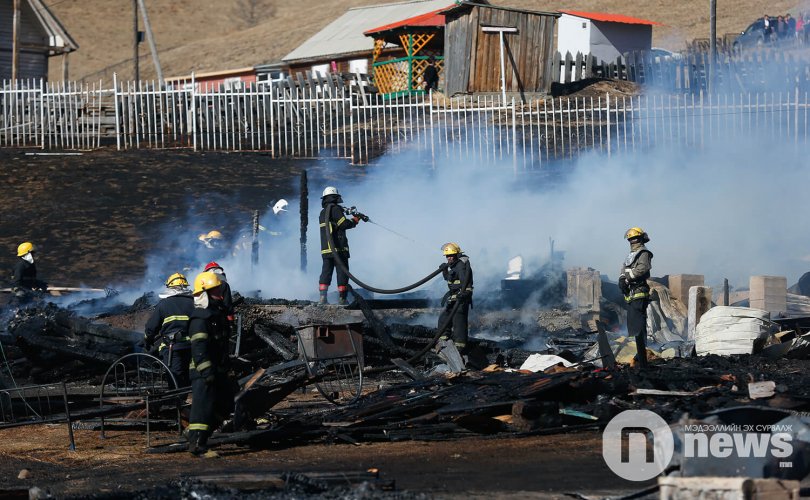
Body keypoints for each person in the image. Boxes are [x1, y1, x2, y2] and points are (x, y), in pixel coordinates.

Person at [187, 271, 235, 457]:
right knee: (203, 408)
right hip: (203, 371)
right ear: (205, 293)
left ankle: (192, 434)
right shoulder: (200, 318)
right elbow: (199, 349)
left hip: (218, 369)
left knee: (225, 404)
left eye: (219, 289)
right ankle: (197, 445)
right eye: (215, 290)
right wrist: (207, 372)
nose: (219, 293)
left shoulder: (217, 315)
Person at [144, 273, 194, 388]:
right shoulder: (194, 302)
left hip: (173, 348)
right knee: (189, 376)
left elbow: (151, 328)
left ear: (170, 287)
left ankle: (178, 401)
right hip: (193, 347)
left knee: (175, 378)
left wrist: (147, 340)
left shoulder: (164, 304)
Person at [318, 186, 364, 305]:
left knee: (326, 272)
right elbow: (343, 224)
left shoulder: (323, 212)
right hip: (339, 249)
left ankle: (322, 298)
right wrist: (355, 220)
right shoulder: (335, 209)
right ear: (336, 197)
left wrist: (345, 211)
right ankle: (342, 299)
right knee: (342, 272)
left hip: (326, 250)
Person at [618, 227, 653, 369]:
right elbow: (624, 268)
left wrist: (627, 279)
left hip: (639, 292)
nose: (632, 241)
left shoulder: (644, 253)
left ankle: (642, 354)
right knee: (632, 324)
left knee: (638, 325)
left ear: (641, 238)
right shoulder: (630, 255)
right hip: (631, 295)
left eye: (635, 238)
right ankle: (635, 352)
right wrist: (622, 279)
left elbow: (643, 269)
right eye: (630, 239)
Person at [438, 242, 473, 352]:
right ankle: (444, 343)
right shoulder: (454, 266)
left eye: (451, 255)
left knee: (459, 323)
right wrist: (444, 271)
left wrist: (464, 294)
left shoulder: (462, 266)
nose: (449, 258)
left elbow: (467, 285)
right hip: (453, 298)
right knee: (444, 319)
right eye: (447, 256)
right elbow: (450, 279)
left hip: (461, 300)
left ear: (457, 255)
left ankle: (459, 349)